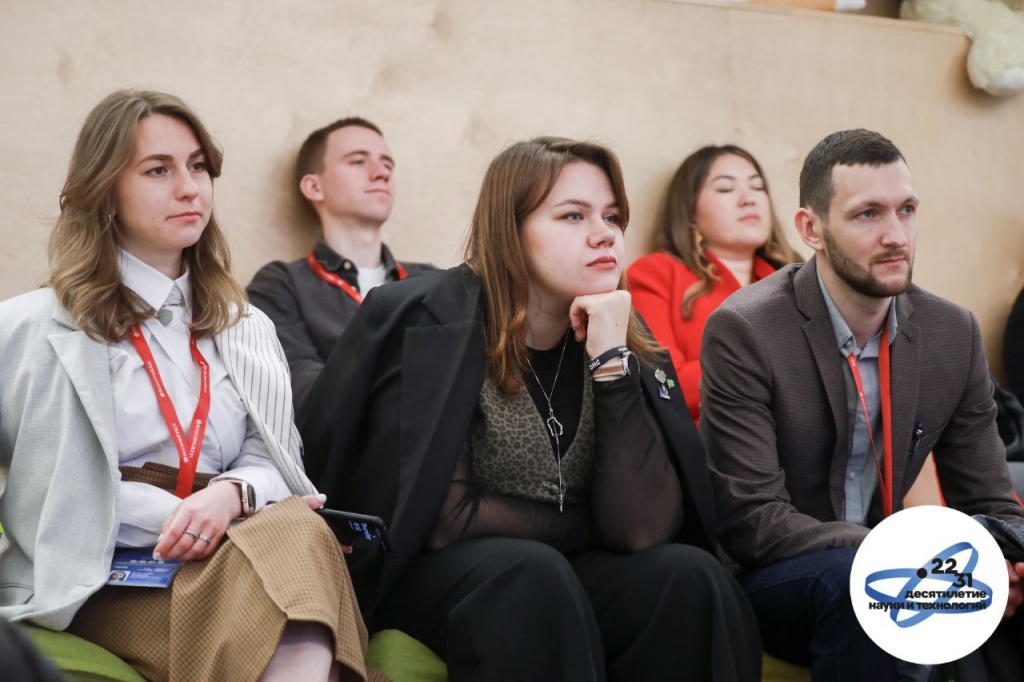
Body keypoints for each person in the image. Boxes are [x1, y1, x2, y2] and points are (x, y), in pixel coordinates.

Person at [300, 137, 761, 682]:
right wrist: (587, 524)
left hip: (557, 565)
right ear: (509, 231)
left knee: (691, 577)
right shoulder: (432, 320)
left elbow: (640, 531)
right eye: (573, 216)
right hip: (434, 571)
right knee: (529, 573)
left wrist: (610, 364)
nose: (604, 234)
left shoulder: (620, 334)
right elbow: (447, 519)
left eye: (612, 217)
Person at [0, 89, 376, 682]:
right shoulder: (29, 326)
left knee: (297, 532)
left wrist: (230, 496)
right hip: (103, 577)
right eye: (158, 170)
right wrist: (189, 516)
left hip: (238, 547)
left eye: (198, 167)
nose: (189, 188)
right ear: (105, 191)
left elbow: (273, 456)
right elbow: (57, 489)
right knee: (294, 543)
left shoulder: (246, 325)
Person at [699, 128, 1024, 680]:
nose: (896, 235)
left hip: (904, 565)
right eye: (868, 214)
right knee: (858, 581)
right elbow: (753, 520)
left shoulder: (952, 332)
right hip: (780, 575)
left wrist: (1007, 560)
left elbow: (989, 496)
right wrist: (904, 558)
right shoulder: (746, 329)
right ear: (812, 229)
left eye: (906, 210)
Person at [247, 117, 434, 414]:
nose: (382, 173)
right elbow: (302, 391)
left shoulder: (431, 281)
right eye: (358, 161)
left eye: (387, 164)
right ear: (314, 187)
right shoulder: (281, 284)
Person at [627, 145, 801, 422]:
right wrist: (765, 365)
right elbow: (663, 384)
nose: (748, 199)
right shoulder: (655, 273)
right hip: (704, 444)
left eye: (758, 187)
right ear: (690, 212)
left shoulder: (797, 280)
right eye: (725, 189)